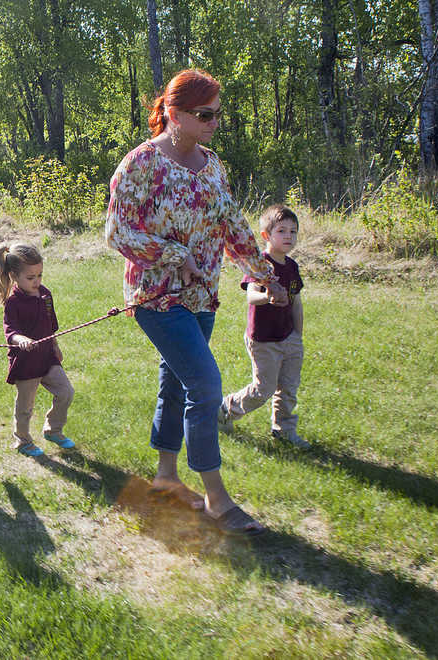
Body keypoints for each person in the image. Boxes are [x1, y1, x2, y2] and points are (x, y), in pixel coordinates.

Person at [105, 68, 287, 537]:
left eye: (217, 115)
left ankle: (166, 478)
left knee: (176, 383)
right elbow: (118, 232)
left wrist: (265, 274)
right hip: (156, 298)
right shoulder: (140, 164)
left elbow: (233, 226)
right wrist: (173, 254)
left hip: (203, 295)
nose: (214, 123)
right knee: (206, 385)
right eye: (204, 115)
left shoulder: (212, 164)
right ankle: (217, 499)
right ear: (173, 113)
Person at [219, 205, 308, 449]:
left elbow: (296, 301)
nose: (289, 236)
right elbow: (251, 296)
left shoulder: (291, 266)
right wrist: (268, 297)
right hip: (263, 339)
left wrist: (297, 335)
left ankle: (284, 430)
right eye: (282, 231)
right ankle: (225, 409)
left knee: (288, 388)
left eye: (293, 231)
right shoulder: (260, 264)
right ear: (266, 236)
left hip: (288, 338)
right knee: (264, 389)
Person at [0, 242, 76, 457]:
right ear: (14, 276)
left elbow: (50, 325)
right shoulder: (13, 302)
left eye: (40, 275)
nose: (37, 281)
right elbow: (10, 331)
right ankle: (23, 441)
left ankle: (53, 429)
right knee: (25, 407)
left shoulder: (45, 295)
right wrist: (22, 340)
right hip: (26, 363)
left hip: (47, 358)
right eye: (31, 278)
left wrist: (55, 346)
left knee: (66, 392)